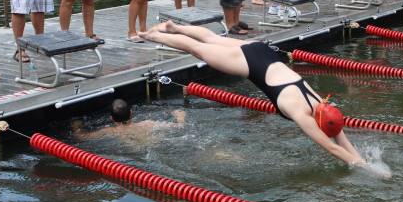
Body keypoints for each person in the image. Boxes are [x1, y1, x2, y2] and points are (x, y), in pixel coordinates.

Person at [138, 21, 368, 169]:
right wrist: (361, 166)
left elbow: (339, 137)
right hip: (247, 63)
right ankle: (151, 36)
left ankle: (173, 27)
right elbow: (331, 147)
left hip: (261, 51)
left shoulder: (320, 102)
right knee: (196, 48)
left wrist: (361, 160)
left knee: (212, 39)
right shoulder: (299, 112)